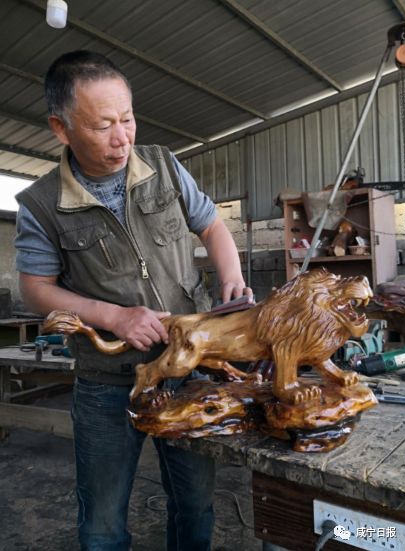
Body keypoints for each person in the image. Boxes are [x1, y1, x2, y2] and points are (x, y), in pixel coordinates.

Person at [14, 50, 252, 551]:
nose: (122, 138)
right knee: (102, 524)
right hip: (106, 385)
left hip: (188, 368)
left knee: (195, 505)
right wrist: (114, 317)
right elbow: (35, 288)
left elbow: (210, 224)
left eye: (127, 118)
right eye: (103, 126)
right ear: (61, 128)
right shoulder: (40, 203)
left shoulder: (163, 166)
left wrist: (231, 276)